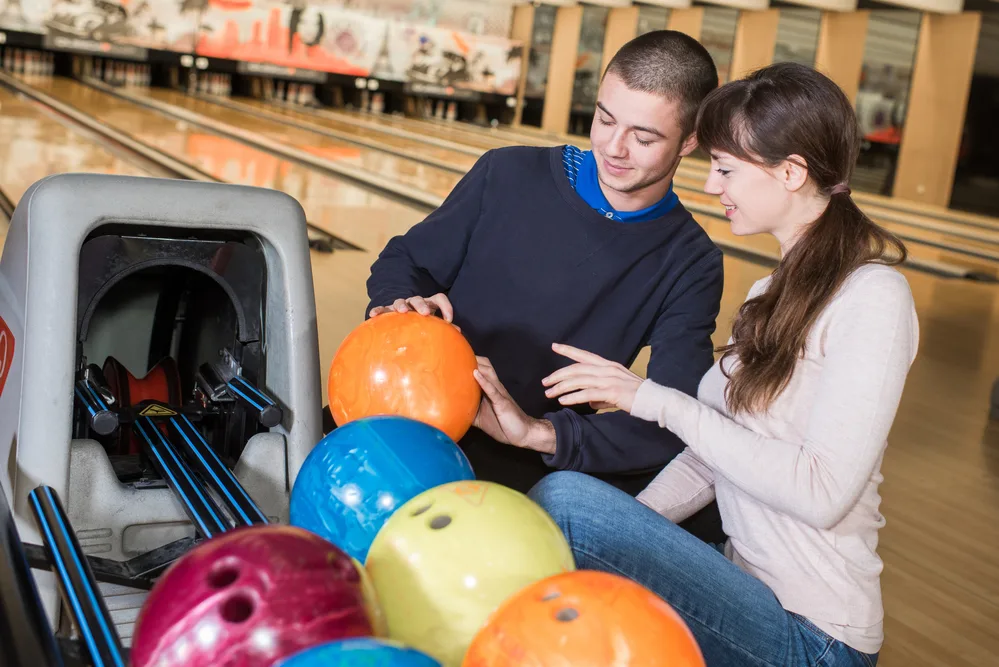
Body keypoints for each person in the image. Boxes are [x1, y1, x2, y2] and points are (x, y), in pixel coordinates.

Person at [526, 62, 918, 666]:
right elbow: (710, 458)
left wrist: (652, 400)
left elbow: (822, 493)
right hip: (747, 597)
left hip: (816, 635)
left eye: (726, 168)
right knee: (574, 518)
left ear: (791, 172)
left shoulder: (872, 298)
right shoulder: (770, 293)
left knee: (567, 503)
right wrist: (628, 537)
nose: (711, 186)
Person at [361, 31, 725, 537]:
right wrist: (399, 305)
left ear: (690, 140)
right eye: (604, 119)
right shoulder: (507, 173)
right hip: (412, 413)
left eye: (644, 138)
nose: (614, 148)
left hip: (524, 458)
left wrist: (541, 434)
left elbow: (672, 418)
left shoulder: (691, 261)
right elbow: (406, 259)